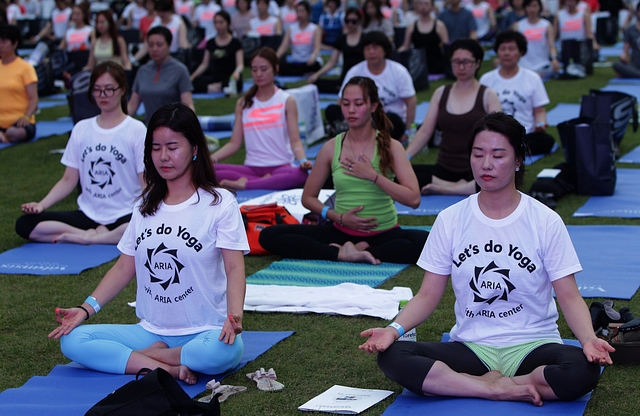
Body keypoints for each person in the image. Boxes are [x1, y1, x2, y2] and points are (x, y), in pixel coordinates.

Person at [360, 112, 614, 405]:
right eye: (478, 154)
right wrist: (392, 330)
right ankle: (491, 388)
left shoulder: (544, 220)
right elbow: (428, 294)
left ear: (518, 160)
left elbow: (568, 296)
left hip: (532, 346)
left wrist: (588, 341)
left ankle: (482, 383)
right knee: (393, 354)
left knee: (582, 369)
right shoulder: (451, 219)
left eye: (498, 154)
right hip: (472, 347)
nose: (486, 164)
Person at [48, 103, 248, 384]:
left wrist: (234, 316)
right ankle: (166, 367)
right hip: (151, 330)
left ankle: (147, 357)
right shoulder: (144, 205)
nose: (163, 157)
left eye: (172, 147)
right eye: (155, 148)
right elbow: (123, 267)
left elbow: (235, 268)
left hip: (203, 330)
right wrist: (85, 309)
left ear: (194, 149)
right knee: (72, 340)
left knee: (223, 351)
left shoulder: (219, 203)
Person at [259, 76, 428, 265]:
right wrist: (338, 217)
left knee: (424, 242)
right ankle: (340, 254)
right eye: (346, 104)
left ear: (373, 106)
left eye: (358, 103)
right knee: (269, 235)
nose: (351, 110)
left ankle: (365, 250)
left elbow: (413, 200)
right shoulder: (331, 147)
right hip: (341, 231)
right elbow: (308, 198)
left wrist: (372, 175)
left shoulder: (391, 146)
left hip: (385, 234)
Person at [16, 62, 145, 244]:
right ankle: (87, 234)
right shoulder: (82, 128)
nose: (103, 95)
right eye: (97, 90)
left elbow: (145, 183)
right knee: (24, 224)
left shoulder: (136, 129)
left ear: (122, 89)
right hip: (87, 215)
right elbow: (69, 180)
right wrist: (41, 205)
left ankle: (93, 238)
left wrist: (147, 212)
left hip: (124, 213)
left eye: (109, 89)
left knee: (143, 227)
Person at [406, 39, 501, 195]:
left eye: (466, 62)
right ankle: (454, 186)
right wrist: (405, 158)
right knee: (399, 174)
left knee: (494, 180)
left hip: (476, 167)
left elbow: (497, 134)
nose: (461, 67)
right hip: (444, 168)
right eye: (456, 62)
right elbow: (425, 131)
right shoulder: (441, 93)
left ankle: (447, 189)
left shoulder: (488, 95)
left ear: (477, 63)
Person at [210, 47, 312, 190]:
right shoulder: (243, 102)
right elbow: (234, 143)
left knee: (300, 175)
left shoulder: (286, 101)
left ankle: (246, 184)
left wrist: (303, 160)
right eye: (254, 69)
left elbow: (295, 140)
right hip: (252, 168)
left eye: (264, 69)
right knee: (207, 170)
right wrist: (211, 159)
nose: (258, 74)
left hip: (280, 167)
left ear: (275, 69)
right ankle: (263, 181)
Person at [328, 31, 417, 141]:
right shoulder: (355, 71)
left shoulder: (399, 71)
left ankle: (349, 132)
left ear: (385, 49)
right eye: (367, 48)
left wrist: (408, 131)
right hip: (360, 118)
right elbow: (342, 100)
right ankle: (349, 129)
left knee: (391, 121)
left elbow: (411, 103)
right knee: (332, 110)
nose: (371, 52)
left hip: (389, 119)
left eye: (375, 48)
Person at [479, 31, 555, 156]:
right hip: (494, 133)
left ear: (521, 52)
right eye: (503, 49)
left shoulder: (533, 78)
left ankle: (505, 151)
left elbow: (539, 111)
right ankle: (508, 150)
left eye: (511, 49)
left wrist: (540, 125)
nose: (507, 53)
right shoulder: (486, 79)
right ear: (497, 52)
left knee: (546, 140)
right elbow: (481, 112)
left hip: (525, 135)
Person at [128, 26, 194, 126]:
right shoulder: (142, 71)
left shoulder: (180, 70)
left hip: (174, 127)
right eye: (150, 45)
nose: (154, 49)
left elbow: (188, 104)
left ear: (169, 45)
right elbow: (133, 105)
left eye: (159, 45)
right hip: (149, 127)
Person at [308, 7, 365, 93]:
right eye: (347, 21)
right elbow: (332, 62)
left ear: (359, 21)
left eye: (353, 21)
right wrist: (316, 75)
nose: (350, 24)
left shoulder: (365, 38)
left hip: (363, 77)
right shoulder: (341, 39)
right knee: (316, 83)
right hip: (346, 77)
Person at [0, 24, 38, 144]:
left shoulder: (25, 68)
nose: (0, 45)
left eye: (4, 42)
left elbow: (33, 98)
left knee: (16, 132)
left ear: (14, 44)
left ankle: (6, 135)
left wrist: (26, 116)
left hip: (20, 121)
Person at [190, 10, 244, 93]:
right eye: (216, 23)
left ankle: (217, 87)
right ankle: (216, 87)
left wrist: (236, 73)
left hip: (231, 77)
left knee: (233, 82)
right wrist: (192, 77)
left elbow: (240, 64)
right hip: (216, 78)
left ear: (228, 23)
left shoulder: (235, 43)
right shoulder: (211, 43)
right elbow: (204, 64)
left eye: (221, 22)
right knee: (194, 83)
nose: (218, 25)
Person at [398, 0, 449, 75]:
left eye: (426, 4)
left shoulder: (440, 25)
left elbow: (446, 46)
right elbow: (406, 46)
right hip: (419, 66)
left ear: (432, 6)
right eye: (420, 3)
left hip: (437, 65)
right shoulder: (411, 26)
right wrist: (394, 54)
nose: (423, 6)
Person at [513, 0, 559, 78]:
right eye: (529, 6)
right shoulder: (518, 26)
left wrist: (554, 59)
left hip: (542, 64)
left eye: (534, 6)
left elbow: (551, 45)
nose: (532, 9)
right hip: (523, 64)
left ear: (539, 8)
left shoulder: (546, 25)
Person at [276, 1, 322, 76]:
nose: (299, 14)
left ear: (308, 12)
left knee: (314, 66)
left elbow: (317, 47)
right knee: (281, 67)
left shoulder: (315, 28)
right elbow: (283, 46)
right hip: (296, 62)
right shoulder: (291, 28)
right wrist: (275, 58)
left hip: (309, 62)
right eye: (297, 11)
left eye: (302, 11)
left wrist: (313, 57)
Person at [613, 2, 640, 78]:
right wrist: (623, 57)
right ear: (637, 12)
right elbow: (625, 51)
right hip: (635, 65)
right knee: (617, 64)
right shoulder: (630, 30)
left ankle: (634, 74)